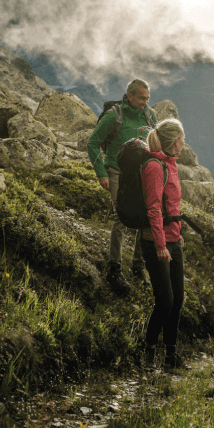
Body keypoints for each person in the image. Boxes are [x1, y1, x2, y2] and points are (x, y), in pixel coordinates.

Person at [87, 79, 157, 292]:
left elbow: (156, 144)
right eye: (142, 98)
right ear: (130, 95)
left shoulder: (150, 116)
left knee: (146, 217)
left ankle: (139, 265)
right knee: (121, 217)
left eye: (148, 98)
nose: (146, 103)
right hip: (116, 171)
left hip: (141, 174)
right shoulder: (114, 116)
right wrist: (101, 173)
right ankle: (114, 269)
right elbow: (92, 143)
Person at [141, 118, 190, 372]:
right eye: (182, 137)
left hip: (172, 240)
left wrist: (176, 233)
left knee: (178, 299)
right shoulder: (154, 167)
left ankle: (171, 356)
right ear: (173, 141)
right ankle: (148, 352)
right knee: (165, 301)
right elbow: (153, 209)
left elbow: (172, 206)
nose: (184, 142)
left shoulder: (171, 164)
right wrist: (161, 245)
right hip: (155, 243)